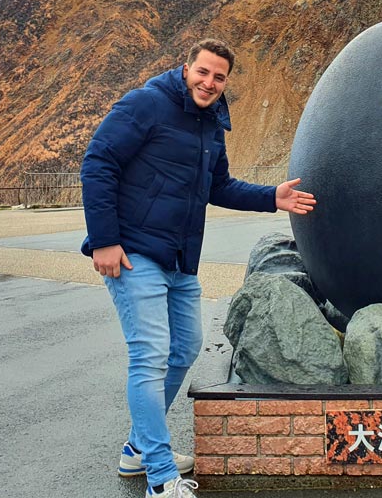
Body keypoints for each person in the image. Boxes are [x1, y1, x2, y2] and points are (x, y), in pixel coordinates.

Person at [80, 38, 316, 498]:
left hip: (180, 260)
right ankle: (161, 477)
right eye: (203, 72)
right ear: (186, 68)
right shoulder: (147, 104)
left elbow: (220, 186)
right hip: (134, 254)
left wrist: (273, 198)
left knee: (185, 347)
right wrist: (105, 241)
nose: (209, 82)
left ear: (226, 82)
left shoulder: (212, 126)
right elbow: (98, 162)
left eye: (219, 76)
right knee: (149, 356)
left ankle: (138, 448)